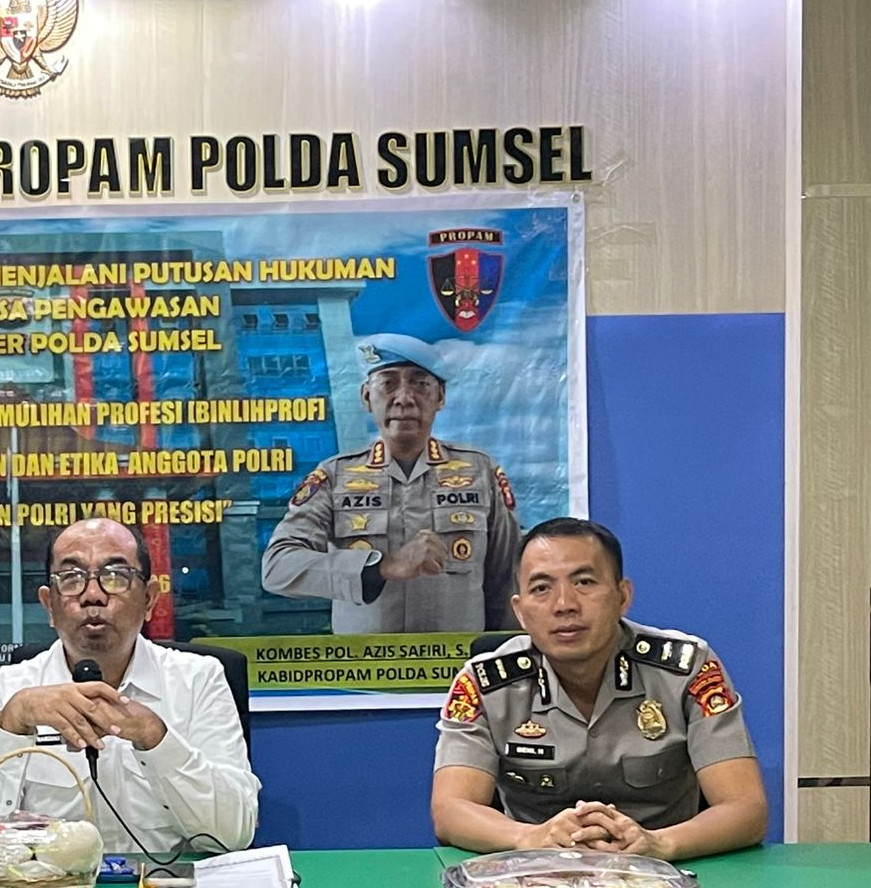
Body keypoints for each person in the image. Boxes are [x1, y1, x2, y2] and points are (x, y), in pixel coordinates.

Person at [431, 518, 767, 861]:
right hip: (534, 875)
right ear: (520, 611)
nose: (564, 604)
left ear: (623, 596)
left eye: (584, 582)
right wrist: (530, 836)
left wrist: (659, 844)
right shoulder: (485, 683)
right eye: (542, 588)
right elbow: (451, 809)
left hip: (665, 873)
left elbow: (746, 808)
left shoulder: (687, 670)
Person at [0, 518, 259, 854]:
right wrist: (12, 724)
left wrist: (155, 738)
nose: (93, 596)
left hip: (169, 885)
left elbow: (234, 834)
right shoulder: (1, 691)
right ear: (49, 605)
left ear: (149, 599)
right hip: (47, 884)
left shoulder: (198, 680)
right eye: (71, 578)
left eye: (115, 576)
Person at [261, 333, 520, 633]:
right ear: (366, 397)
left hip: (459, 661)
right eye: (388, 384)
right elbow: (278, 567)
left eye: (420, 384)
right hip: (362, 662)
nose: (404, 398)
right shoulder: (335, 476)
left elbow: (509, 581)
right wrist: (381, 567)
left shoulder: (479, 471)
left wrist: (503, 655)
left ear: (440, 397)